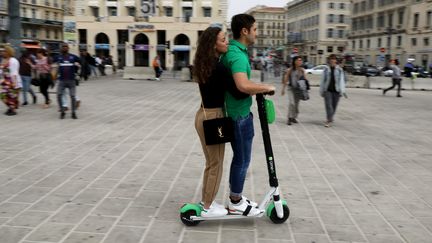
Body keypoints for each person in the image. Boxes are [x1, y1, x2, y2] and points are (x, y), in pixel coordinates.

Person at [221, 14, 275, 216]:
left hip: (239, 113)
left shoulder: (236, 51)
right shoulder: (236, 55)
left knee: (241, 158)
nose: (257, 33)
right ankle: (235, 201)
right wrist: (265, 87)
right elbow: (242, 85)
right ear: (244, 31)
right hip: (238, 116)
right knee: (242, 159)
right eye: (255, 29)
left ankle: (236, 197)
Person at [193, 27, 233, 218]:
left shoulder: (203, 63)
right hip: (214, 117)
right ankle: (208, 206)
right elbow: (237, 91)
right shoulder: (219, 68)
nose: (227, 42)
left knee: (210, 162)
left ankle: (206, 200)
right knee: (216, 163)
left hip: (201, 115)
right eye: (224, 40)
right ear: (213, 44)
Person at [54, 43, 80, 119]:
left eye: (66, 47)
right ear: (61, 48)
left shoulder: (73, 57)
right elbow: (50, 61)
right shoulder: (58, 57)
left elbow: (80, 62)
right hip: (61, 81)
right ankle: (62, 111)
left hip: (71, 81)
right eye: (63, 47)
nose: (65, 48)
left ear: (68, 48)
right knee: (59, 95)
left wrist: (77, 71)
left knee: (73, 96)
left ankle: (73, 112)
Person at [320, 54, 346, 127]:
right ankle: (329, 120)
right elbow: (322, 81)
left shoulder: (339, 70)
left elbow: (342, 81)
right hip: (327, 90)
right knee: (328, 105)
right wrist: (321, 91)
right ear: (329, 60)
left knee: (334, 106)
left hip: (336, 90)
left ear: (336, 60)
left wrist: (342, 91)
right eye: (331, 59)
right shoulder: (326, 69)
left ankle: (330, 118)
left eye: (333, 59)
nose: (332, 60)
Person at [281, 56, 306, 125]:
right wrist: (283, 89)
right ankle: (289, 118)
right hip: (291, 89)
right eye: (298, 60)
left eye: (300, 60)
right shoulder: (290, 70)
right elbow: (285, 79)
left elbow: (305, 80)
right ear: (294, 61)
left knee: (296, 105)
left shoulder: (302, 70)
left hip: (299, 90)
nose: (299, 62)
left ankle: (294, 117)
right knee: (292, 103)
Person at [0, 46, 22, 116]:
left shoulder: (13, 60)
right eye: (2, 51)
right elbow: (1, 71)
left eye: (4, 51)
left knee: (12, 96)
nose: (2, 52)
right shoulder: (3, 60)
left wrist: (14, 83)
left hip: (12, 81)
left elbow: (14, 72)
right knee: (2, 95)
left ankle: (12, 109)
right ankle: (12, 106)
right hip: (5, 81)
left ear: (8, 52)